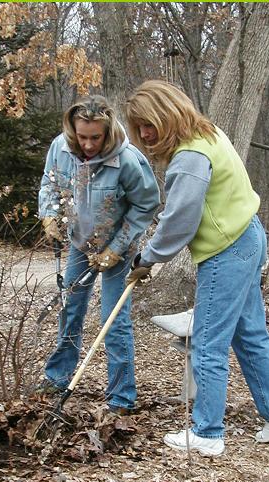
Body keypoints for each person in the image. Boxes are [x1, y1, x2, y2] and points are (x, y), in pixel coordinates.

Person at [124, 80, 269, 455]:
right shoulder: (209, 132)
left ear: (166, 114)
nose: (144, 134)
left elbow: (179, 220)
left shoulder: (189, 158)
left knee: (207, 342)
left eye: (148, 124)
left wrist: (148, 258)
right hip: (249, 235)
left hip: (227, 250)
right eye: (139, 128)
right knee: (249, 332)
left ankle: (206, 432)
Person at [38, 95, 160, 414]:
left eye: (96, 137)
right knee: (70, 308)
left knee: (113, 320)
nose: (89, 144)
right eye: (83, 136)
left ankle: (121, 398)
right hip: (80, 244)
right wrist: (49, 214)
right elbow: (50, 185)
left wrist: (116, 249)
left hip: (118, 248)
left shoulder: (128, 160)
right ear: (73, 130)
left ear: (106, 131)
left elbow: (147, 204)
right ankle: (57, 377)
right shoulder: (60, 149)